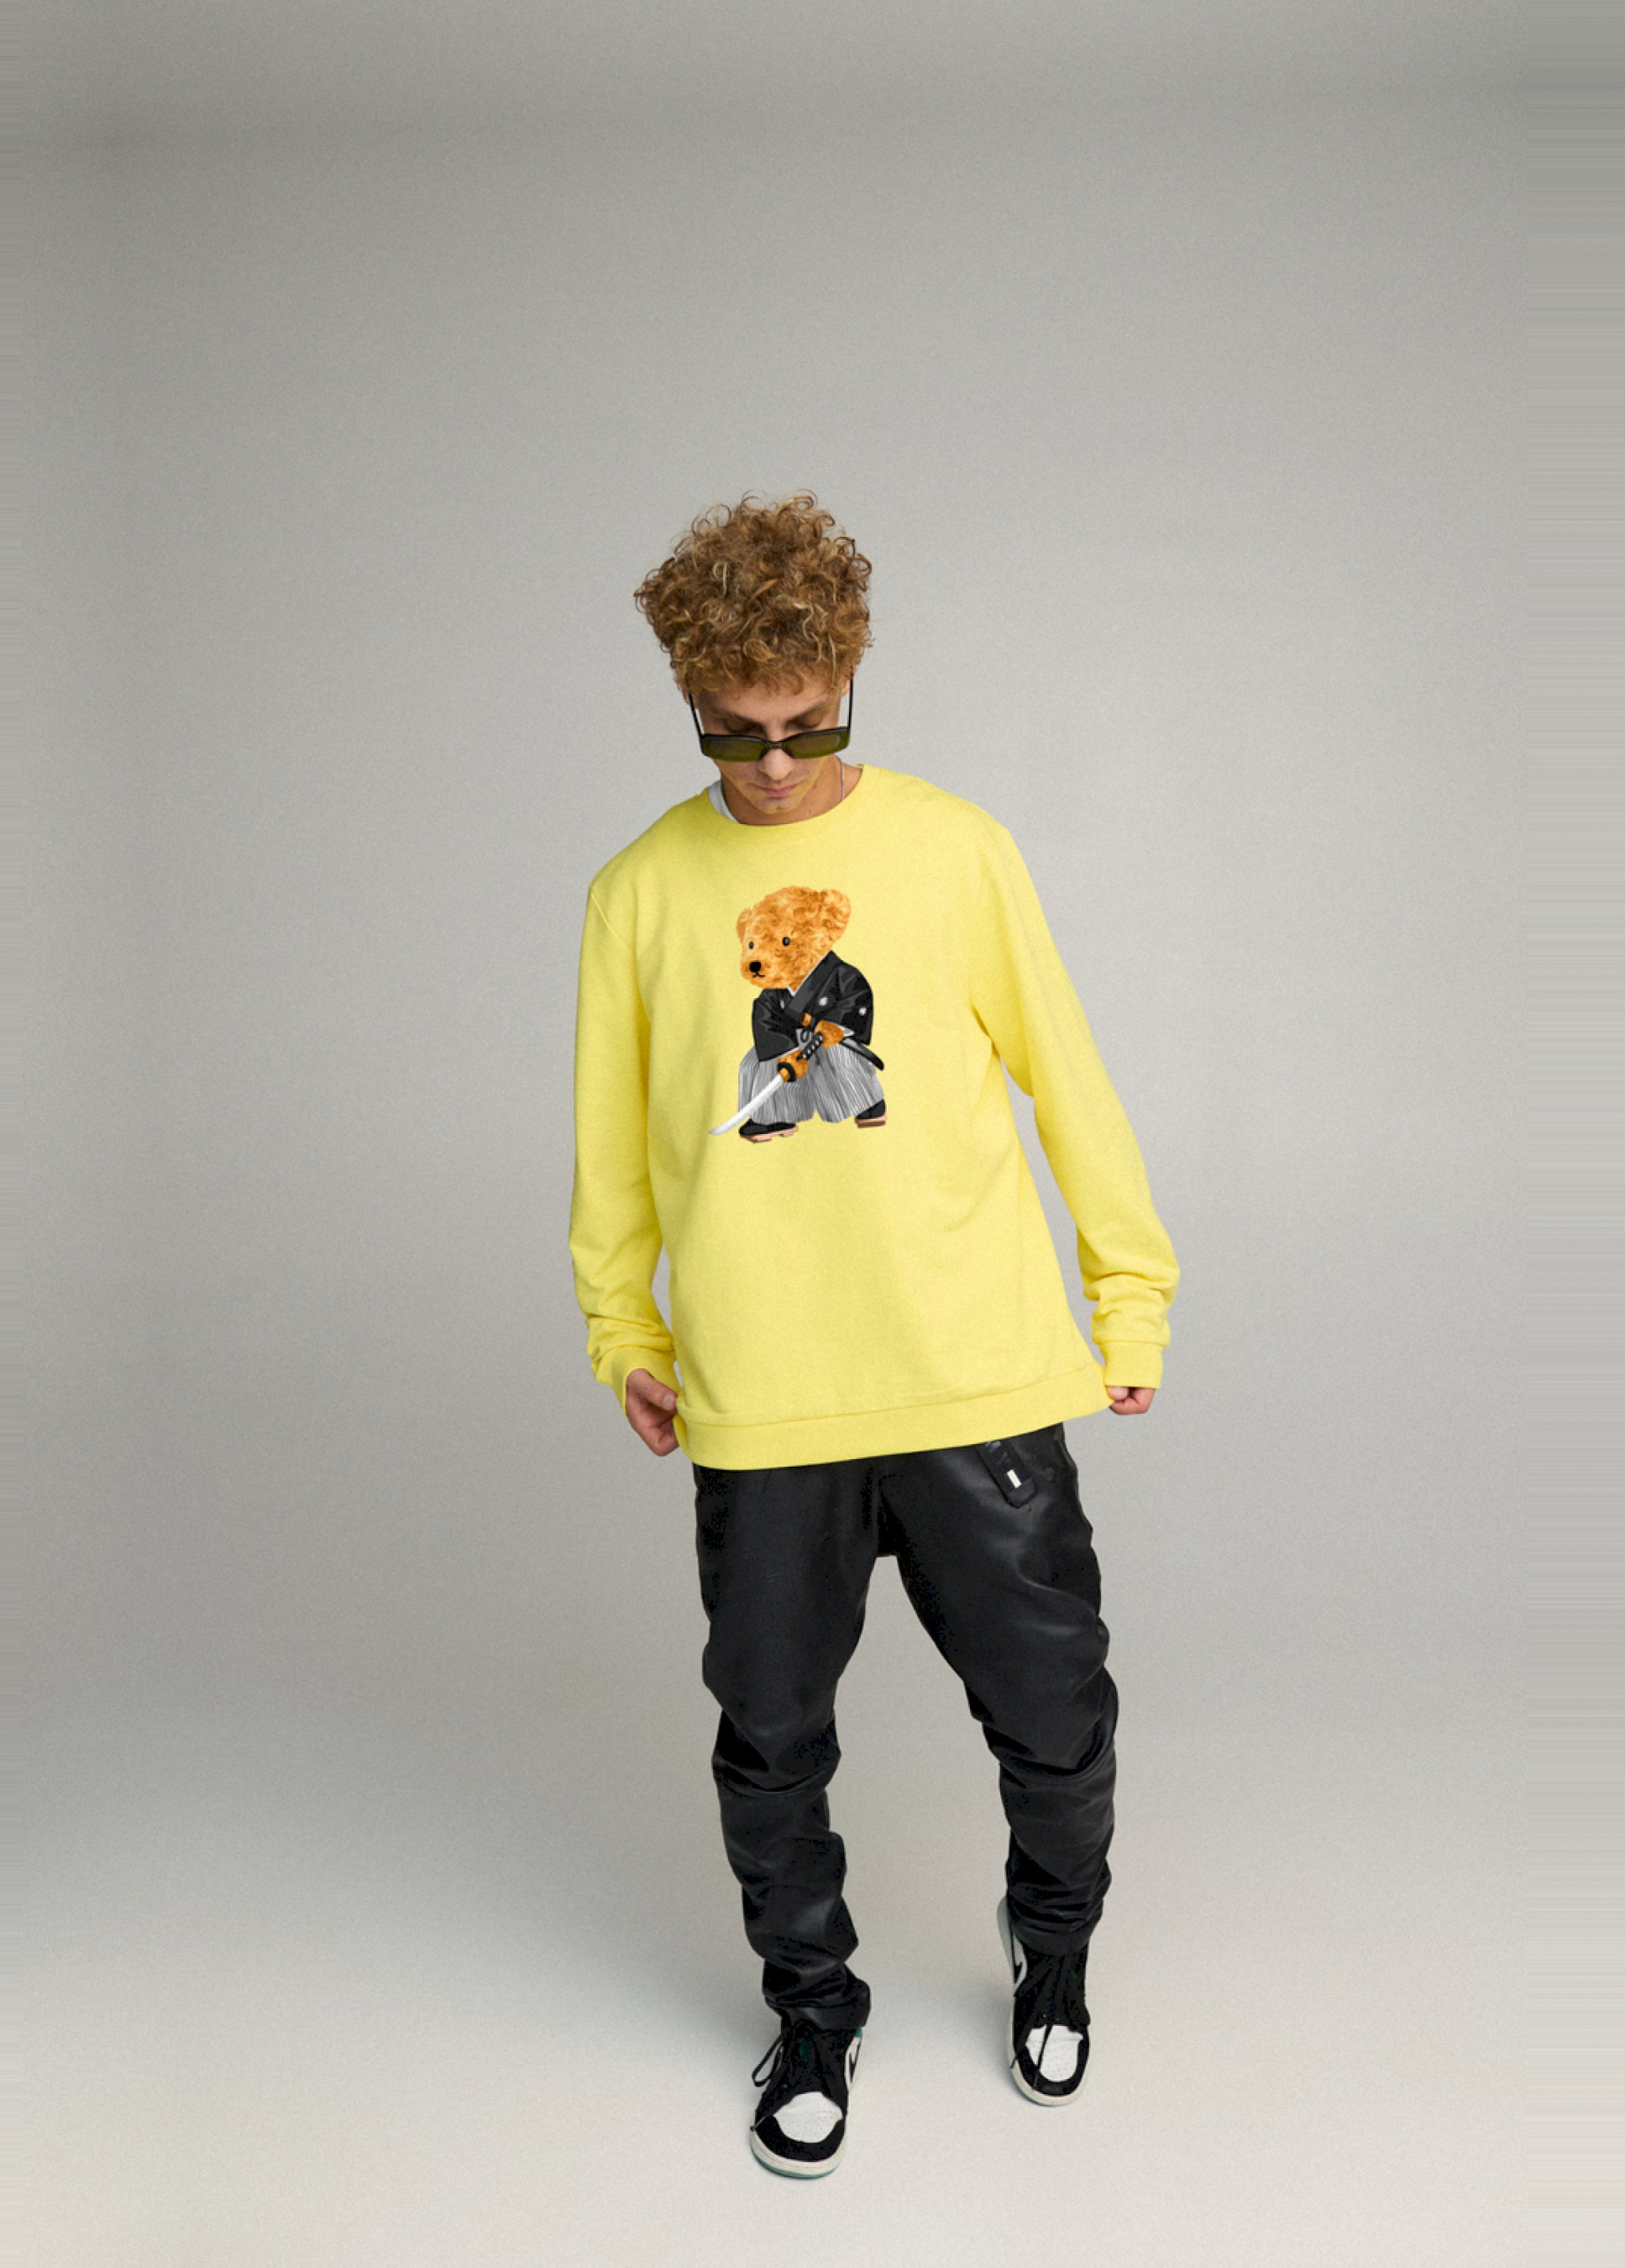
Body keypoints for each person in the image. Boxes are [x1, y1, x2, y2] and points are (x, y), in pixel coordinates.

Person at [567, 492, 1179, 2177]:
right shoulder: (638, 893)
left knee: (1053, 1711)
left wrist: (1127, 1292)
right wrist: (621, 1325)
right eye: (732, 733)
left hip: (970, 1370)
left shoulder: (957, 851)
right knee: (769, 1741)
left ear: (849, 681)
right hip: (764, 1393)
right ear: (688, 702)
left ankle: (1051, 1952)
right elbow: (609, 1145)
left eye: (809, 726)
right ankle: (812, 2011)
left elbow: (1067, 1078)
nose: (772, 766)